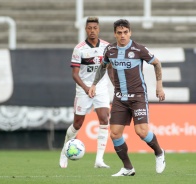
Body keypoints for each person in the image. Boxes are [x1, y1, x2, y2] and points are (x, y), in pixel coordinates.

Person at [88, 19, 166, 176]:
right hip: (120, 98)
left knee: (142, 132)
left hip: (138, 97)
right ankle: (128, 168)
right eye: (119, 33)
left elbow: (157, 63)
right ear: (115, 34)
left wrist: (159, 86)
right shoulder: (110, 50)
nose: (122, 35)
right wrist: (94, 84)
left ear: (130, 32)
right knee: (115, 134)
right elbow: (103, 67)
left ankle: (159, 152)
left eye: (125, 32)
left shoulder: (139, 49)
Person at [59, 17, 112, 169]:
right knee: (77, 124)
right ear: (86, 30)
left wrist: (116, 86)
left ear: (99, 29)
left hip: (101, 87)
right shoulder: (79, 49)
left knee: (104, 119)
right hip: (84, 89)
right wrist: (86, 88)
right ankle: (64, 151)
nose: (92, 31)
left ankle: (99, 160)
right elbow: (75, 74)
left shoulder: (107, 47)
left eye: (95, 28)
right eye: (89, 28)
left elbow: (110, 69)